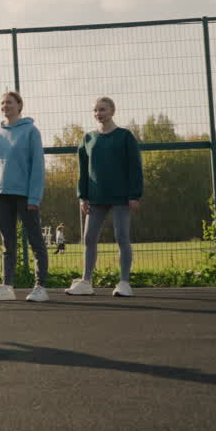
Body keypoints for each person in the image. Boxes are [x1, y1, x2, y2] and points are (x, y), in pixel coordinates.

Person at [68, 97, 143, 297]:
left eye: (102, 109)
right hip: (95, 197)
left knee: (121, 237)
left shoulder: (125, 137)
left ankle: (124, 282)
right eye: (95, 110)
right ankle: (86, 281)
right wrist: (82, 196)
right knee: (89, 238)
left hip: (121, 197)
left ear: (112, 111)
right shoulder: (88, 139)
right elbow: (83, 171)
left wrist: (134, 194)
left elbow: (135, 167)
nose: (98, 113)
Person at [0, 91, 50, 302]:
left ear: (20, 105)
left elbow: (38, 166)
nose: (5, 106)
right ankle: (7, 286)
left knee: (35, 240)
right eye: (2, 103)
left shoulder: (31, 131)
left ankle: (40, 287)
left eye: (9, 102)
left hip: (25, 195)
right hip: (1, 193)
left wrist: (34, 197)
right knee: (7, 243)